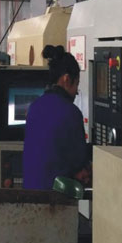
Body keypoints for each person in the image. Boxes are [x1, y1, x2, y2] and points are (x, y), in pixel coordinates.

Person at [23, 45, 90, 190]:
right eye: (76, 85)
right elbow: (78, 161)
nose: (76, 92)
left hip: (29, 195)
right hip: (55, 199)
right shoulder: (71, 113)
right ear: (66, 79)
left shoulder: (34, 107)